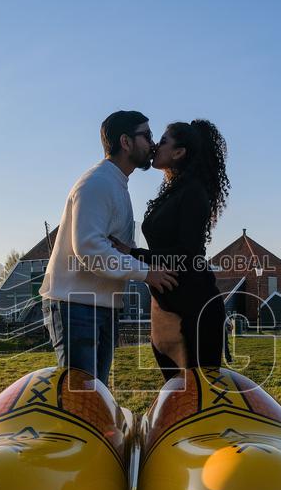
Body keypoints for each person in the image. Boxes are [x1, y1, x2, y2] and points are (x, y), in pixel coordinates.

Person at [39, 111, 178, 386]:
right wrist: (146, 273)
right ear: (125, 142)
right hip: (76, 306)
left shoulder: (117, 185)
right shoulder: (97, 183)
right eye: (147, 136)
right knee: (82, 398)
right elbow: (90, 250)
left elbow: (118, 248)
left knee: (96, 395)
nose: (153, 144)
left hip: (101, 306)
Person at [111, 119, 231, 382]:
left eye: (163, 141)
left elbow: (187, 254)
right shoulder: (173, 191)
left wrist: (133, 253)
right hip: (166, 309)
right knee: (176, 395)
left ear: (179, 153)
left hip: (194, 311)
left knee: (196, 396)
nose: (155, 145)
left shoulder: (193, 192)